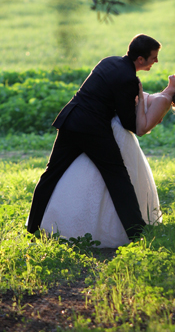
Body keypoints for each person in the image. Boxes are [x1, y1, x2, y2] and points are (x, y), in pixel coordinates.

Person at [38, 70, 175, 248]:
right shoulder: (162, 96)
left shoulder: (163, 101)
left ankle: (100, 228)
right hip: (109, 127)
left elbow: (142, 129)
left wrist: (139, 96)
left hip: (118, 135)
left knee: (105, 179)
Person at [27, 34, 161, 241]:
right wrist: (141, 105)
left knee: (51, 174)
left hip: (71, 120)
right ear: (141, 59)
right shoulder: (129, 79)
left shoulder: (109, 61)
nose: (156, 61)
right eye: (154, 57)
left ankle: (32, 226)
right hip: (93, 130)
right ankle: (137, 234)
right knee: (118, 177)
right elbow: (128, 123)